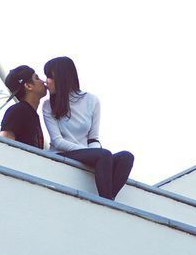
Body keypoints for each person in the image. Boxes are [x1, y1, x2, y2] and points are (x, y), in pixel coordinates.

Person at [41, 56, 134, 200]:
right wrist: (92, 152)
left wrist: (94, 151)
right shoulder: (48, 105)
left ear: (62, 77)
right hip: (61, 153)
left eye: (50, 76)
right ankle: (107, 202)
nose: (46, 81)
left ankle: (108, 200)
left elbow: (93, 138)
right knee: (103, 155)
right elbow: (57, 141)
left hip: (88, 155)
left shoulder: (92, 100)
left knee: (126, 157)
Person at [0, 65, 46, 149]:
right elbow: (4, 144)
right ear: (28, 86)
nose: (43, 81)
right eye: (37, 78)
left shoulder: (30, 113)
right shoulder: (17, 111)